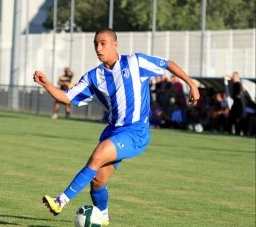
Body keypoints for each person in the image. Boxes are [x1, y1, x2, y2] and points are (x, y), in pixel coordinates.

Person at [33, 28, 200, 225]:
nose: (98, 48)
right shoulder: (93, 77)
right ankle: (103, 218)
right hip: (113, 131)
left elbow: (168, 64)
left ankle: (60, 201)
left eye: (103, 43)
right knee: (97, 182)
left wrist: (192, 84)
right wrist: (48, 84)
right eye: (96, 44)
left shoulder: (136, 62)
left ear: (115, 44)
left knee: (97, 155)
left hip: (136, 131)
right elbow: (66, 97)